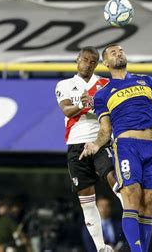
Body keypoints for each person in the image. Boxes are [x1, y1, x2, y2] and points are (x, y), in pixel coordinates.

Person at [80, 44, 152, 252]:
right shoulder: (104, 94)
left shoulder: (147, 81)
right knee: (131, 195)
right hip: (126, 147)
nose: (119, 53)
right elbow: (106, 129)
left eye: (121, 50)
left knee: (149, 201)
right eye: (113, 52)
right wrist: (96, 144)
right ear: (106, 63)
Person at [55, 46, 123, 252]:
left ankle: (129, 207)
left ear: (97, 64)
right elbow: (66, 109)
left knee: (111, 174)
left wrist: (98, 105)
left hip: (99, 140)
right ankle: (101, 247)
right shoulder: (65, 84)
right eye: (84, 60)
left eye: (92, 61)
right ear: (77, 60)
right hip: (75, 144)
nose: (88, 64)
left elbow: (115, 109)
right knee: (86, 200)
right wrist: (84, 105)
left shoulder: (104, 83)